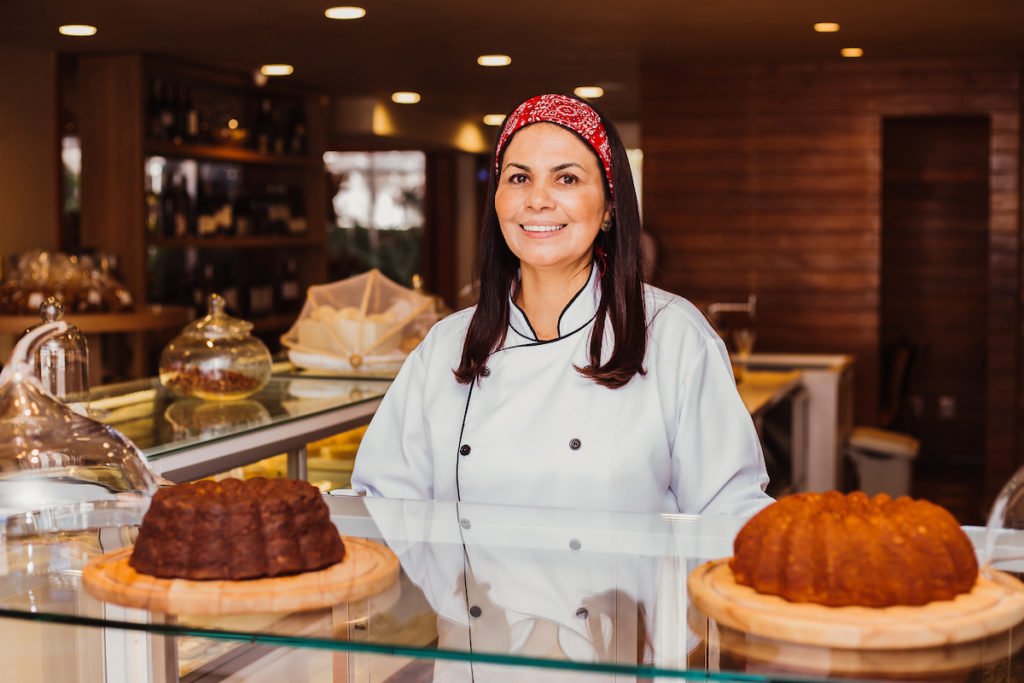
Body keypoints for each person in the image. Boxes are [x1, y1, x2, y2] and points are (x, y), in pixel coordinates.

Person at [352, 93, 770, 516]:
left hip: (628, 586)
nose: (538, 199)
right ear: (496, 200)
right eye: (518, 178)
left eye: (566, 179)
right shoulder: (446, 345)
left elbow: (730, 513)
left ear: (609, 207)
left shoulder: (673, 335)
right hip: (466, 586)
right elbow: (387, 509)